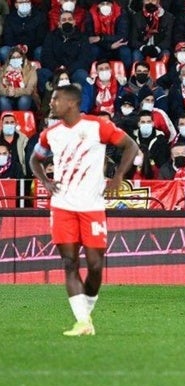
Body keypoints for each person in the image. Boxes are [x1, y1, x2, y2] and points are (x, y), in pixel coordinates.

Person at [29, 84, 138, 336]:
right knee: (69, 262)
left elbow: (131, 145)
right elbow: (35, 159)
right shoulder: (50, 133)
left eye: (56, 99)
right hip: (62, 204)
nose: (52, 103)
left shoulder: (97, 126)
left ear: (71, 103)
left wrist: (119, 175)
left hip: (92, 205)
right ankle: (82, 320)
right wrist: (44, 180)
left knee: (95, 265)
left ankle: (86, 313)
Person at [84, 0, 131, 70]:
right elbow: (92, 38)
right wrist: (109, 46)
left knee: (125, 51)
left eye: (108, 3)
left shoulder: (120, 12)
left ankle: (127, 75)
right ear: (98, 5)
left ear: (112, 4)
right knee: (92, 50)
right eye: (102, 4)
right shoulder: (91, 14)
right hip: (101, 45)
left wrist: (101, 38)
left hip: (117, 45)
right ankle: (93, 74)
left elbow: (122, 36)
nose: (105, 6)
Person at [0, 45, 38, 111]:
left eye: (18, 57)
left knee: (24, 100)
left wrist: (15, 92)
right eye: (13, 58)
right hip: (8, 97)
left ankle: (23, 120)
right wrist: (7, 92)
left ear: (22, 58)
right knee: (2, 101)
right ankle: (9, 120)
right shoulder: (3, 69)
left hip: (26, 97)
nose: (15, 60)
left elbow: (29, 90)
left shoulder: (31, 70)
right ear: (9, 59)